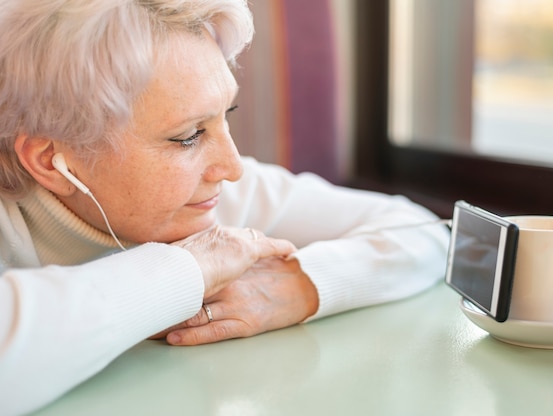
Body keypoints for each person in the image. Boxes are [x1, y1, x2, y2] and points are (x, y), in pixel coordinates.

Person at [0, 0, 449, 414]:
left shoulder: (213, 191)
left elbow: (420, 233)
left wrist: (300, 285)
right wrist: (190, 268)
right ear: (49, 160)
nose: (232, 167)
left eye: (224, 116)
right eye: (188, 135)